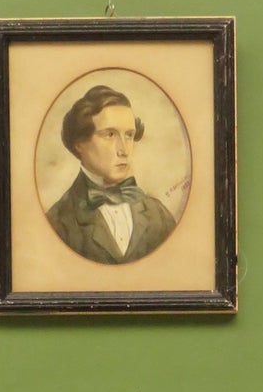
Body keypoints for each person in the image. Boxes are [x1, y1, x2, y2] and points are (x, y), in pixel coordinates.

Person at [46, 84, 178, 264]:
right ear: (79, 143)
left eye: (129, 135)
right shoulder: (57, 223)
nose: (124, 150)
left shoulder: (159, 215)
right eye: (110, 134)